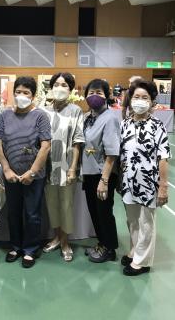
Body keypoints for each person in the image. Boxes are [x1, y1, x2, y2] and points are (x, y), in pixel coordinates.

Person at [0, 76, 51, 268]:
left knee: (32, 213)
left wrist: (33, 172)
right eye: (18, 92)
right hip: (11, 175)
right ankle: (15, 246)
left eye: (26, 92)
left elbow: (45, 146)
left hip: (34, 177)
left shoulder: (41, 116)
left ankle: (30, 249)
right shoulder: (4, 115)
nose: (21, 96)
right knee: (13, 212)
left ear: (33, 96)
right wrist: (6, 168)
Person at [120, 80, 170, 276]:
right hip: (128, 182)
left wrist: (163, 186)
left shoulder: (157, 126)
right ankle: (134, 251)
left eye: (145, 98)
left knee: (146, 222)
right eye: (136, 97)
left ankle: (142, 262)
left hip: (148, 183)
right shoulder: (125, 124)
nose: (140, 101)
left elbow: (163, 157)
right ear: (130, 100)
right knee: (132, 220)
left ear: (151, 102)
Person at [42, 72, 84, 261]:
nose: (60, 88)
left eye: (64, 85)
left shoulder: (76, 111)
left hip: (67, 166)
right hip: (48, 167)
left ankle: (66, 241)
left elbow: (77, 141)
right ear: (51, 88)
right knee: (52, 204)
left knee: (66, 205)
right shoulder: (43, 111)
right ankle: (56, 237)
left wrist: (73, 168)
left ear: (71, 89)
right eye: (57, 84)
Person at [82, 79, 120, 263]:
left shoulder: (110, 117)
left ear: (107, 96)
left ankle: (110, 249)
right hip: (89, 174)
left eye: (99, 92)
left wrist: (104, 180)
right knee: (94, 211)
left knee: (104, 212)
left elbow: (112, 153)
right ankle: (101, 243)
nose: (94, 96)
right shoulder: (88, 117)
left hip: (102, 174)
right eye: (90, 93)